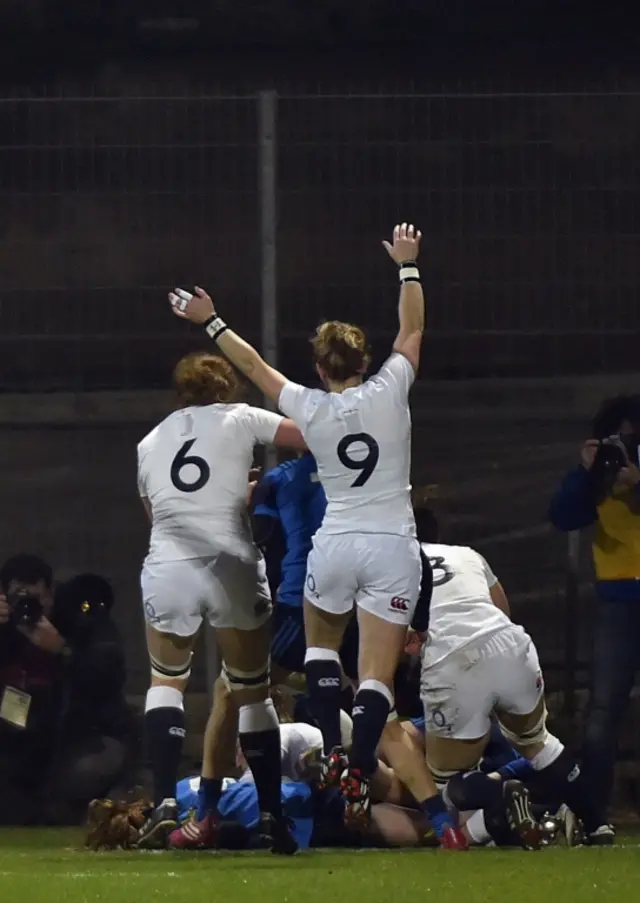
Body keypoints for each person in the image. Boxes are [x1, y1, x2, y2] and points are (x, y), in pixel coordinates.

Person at [168, 223, 461, 848]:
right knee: (376, 676)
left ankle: (330, 750)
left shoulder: (308, 405)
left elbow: (251, 365)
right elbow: (412, 331)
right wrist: (409, 266)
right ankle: (357, 770)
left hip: (335, 545)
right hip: (390, 544)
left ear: (320, 367)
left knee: (321, 652)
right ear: (362, 360)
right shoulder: (392, 388)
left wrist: (211, 321)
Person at [135, 349, 305, 852]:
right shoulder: (241, 417)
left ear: (180, 393)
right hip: (232, 559)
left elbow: (156, 512)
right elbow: (307, 435)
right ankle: (272, 813)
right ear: (226, 388)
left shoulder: (149, 441)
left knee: (166, 682)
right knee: (251, 690)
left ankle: (166, 802)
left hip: (170, 562)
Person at [412, 507, 614, 847]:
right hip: (508, 642)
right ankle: (597, 825)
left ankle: (500, 795)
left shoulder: (393, 566)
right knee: (538, 743)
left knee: (447, 781)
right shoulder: (467, 554)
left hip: (451, 656)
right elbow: (501, 606)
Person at [548, 394, 640, 828]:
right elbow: (563, 515)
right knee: (604, 709)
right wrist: (587, 472)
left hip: (619, 602)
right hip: (618, 602)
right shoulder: (598, 476)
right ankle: (593, 814)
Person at [0, 557, 131, 825]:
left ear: (51, 594)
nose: (28, 608)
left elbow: (109, 675)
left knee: (83, 773)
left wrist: (63, 649)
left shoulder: (78, 621)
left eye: (37, 599)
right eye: (18, 599)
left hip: (76, 737)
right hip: (14, 741)